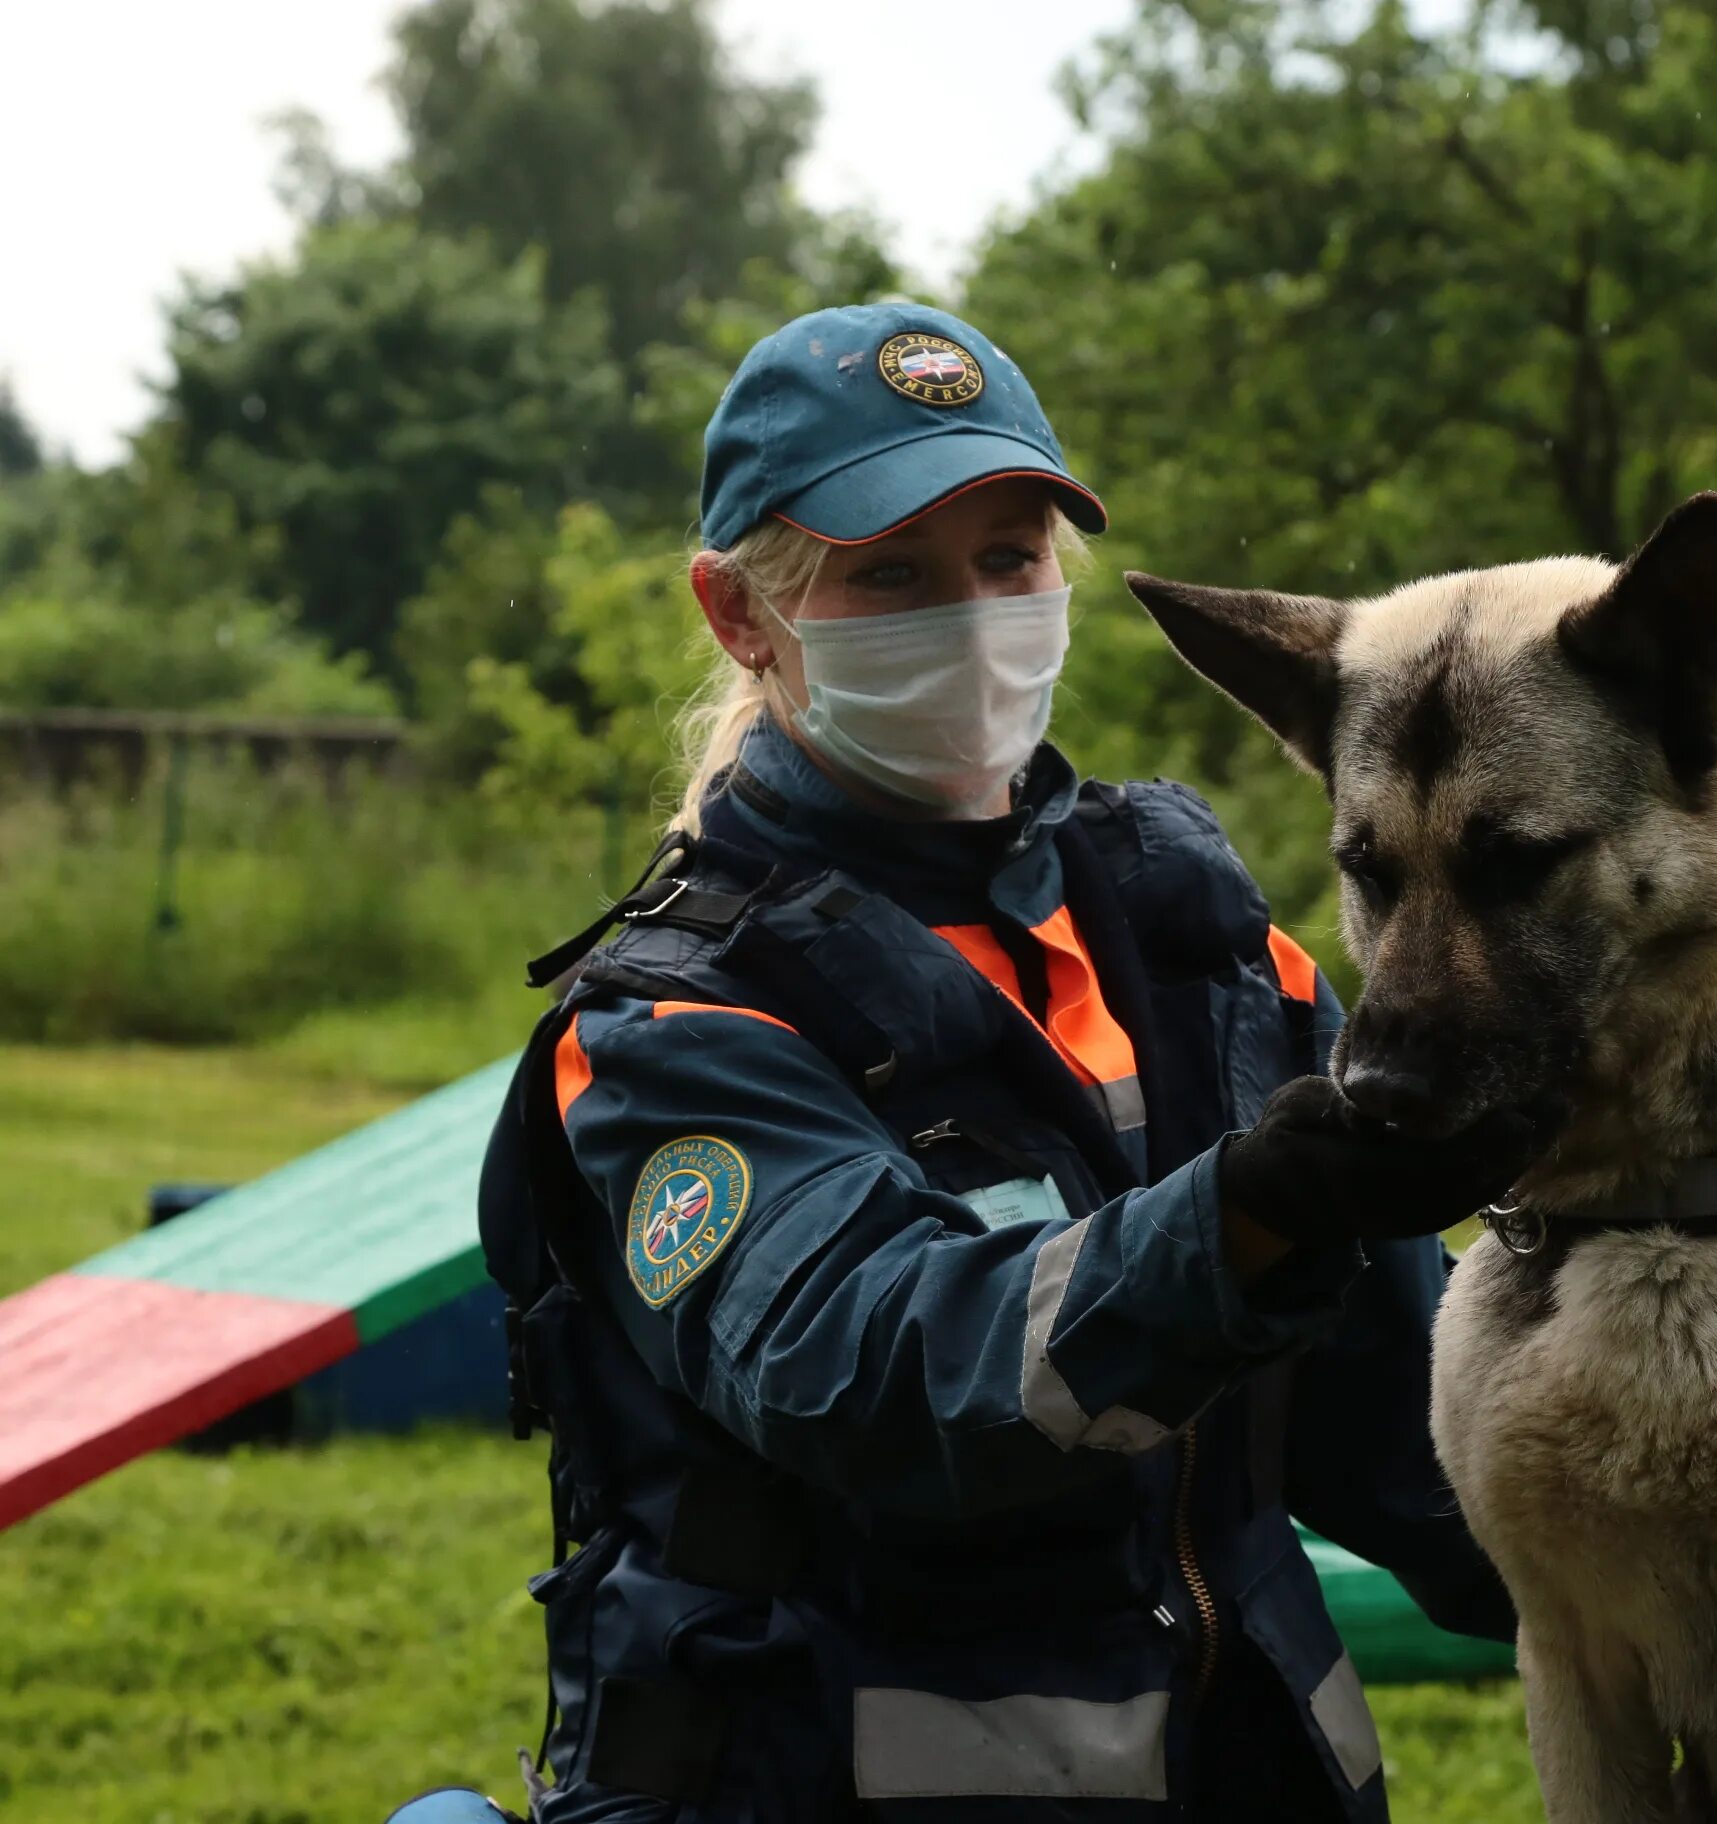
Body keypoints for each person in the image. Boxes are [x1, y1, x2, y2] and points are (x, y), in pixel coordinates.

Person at [471, 304, 1543, 1823]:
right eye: (892, 576)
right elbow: (884, 1376)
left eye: (1008, 562)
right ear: (738, 614)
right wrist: (1244, 1214)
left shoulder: (1205, 944)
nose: (970, 620)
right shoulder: (670, 1027)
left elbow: (1422, 1436)